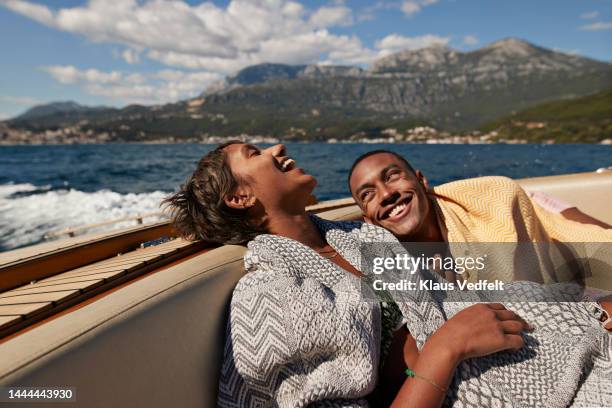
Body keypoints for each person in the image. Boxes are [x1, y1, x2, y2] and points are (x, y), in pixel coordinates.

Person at [165, 143, 612, 407]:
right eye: (254, 153)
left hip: (547, 346)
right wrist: (447, 347)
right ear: (239, 197)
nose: (277, 149)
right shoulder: (269, 294)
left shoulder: (359, 238)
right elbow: (444, 334)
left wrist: (585, 307)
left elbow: (452, 299)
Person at [348, 150, 612, 287]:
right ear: (368, 219)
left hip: (544, 228)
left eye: (392, 176)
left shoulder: (493, 201)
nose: (385, 194)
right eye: (368, 194)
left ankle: (550, 204)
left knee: (591, 235)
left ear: (421, 180)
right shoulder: (383, 263)